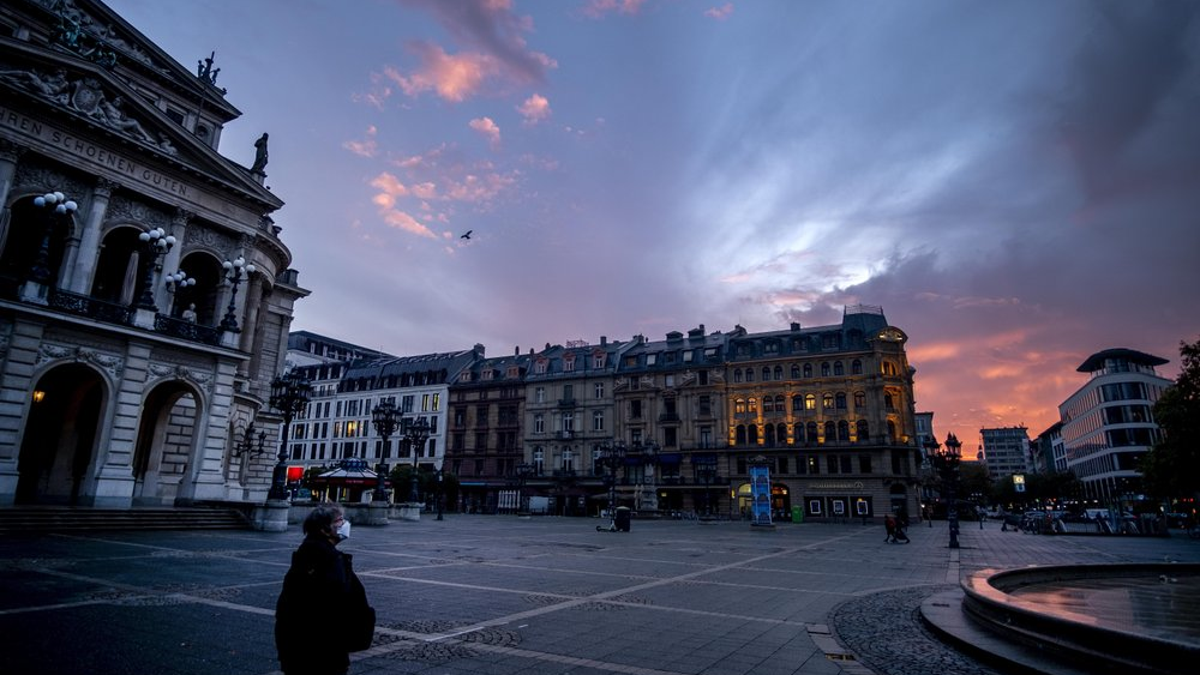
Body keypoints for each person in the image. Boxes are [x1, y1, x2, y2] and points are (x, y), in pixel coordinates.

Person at [275, 504, 374, 675]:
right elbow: (333, 603)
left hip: (310, 648)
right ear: (324, 529)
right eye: (339, 520)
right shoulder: (325, 558)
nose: (344, 524)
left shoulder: (315, 553)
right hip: (320, 649)